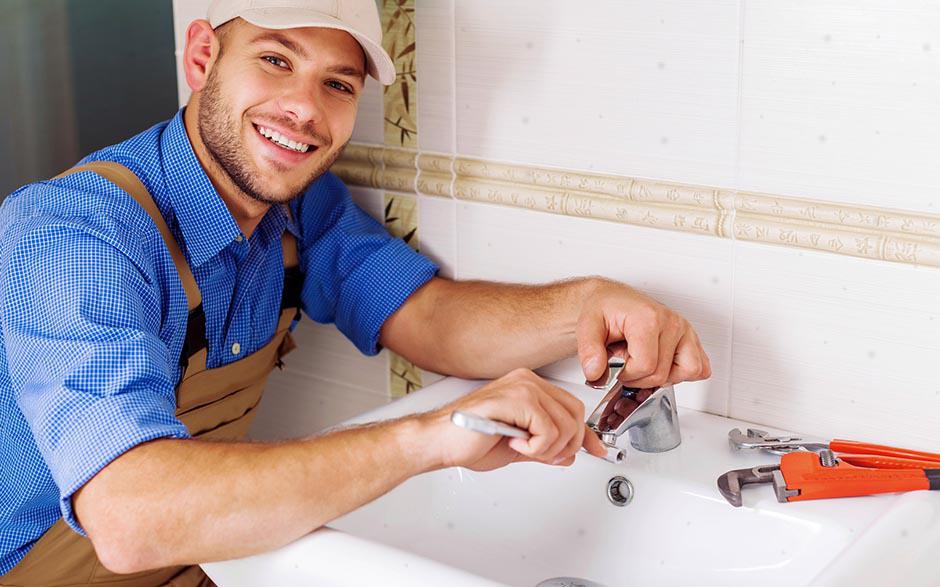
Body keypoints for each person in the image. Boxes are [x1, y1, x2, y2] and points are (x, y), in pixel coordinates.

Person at [0, 0, 711, 585]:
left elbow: (431, 316)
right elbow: (128, 517)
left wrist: (589, 305)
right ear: (200, 58)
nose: (305, 109)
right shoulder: (74, 235)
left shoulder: (296, 209)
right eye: (276, 60)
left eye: (337, 83)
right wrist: (431, 436)